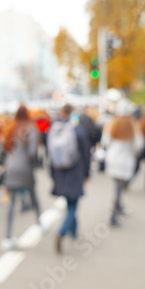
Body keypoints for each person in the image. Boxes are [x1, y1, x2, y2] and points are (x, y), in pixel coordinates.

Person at [50, 104, 91, 254]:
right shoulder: (78, 129)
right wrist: (87, 173)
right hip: (75, 170)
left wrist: (53, 176)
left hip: (60, 172)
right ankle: (62, 231)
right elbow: (86, 153)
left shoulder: (55, 129)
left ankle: (73, 231)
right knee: (74, 204)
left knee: (70, 201)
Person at [2, 104, 41, 251]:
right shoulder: (30, 128)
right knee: (33, 194)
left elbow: (4, 148)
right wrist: (35, 163)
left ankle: (7, 236)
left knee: (11, 202)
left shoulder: (11, 128)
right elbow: (33, 152)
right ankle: (39, 222)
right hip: (25, 168)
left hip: (11, 167)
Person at [101, 100, 145, 227]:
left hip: (112, 158)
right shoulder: (133, 125)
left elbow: (105, 142)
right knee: (119, 188)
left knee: (117, 186)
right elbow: (139, 144)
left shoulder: (111, 124)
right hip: (125, 160)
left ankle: (119, 207)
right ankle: (113, 214)